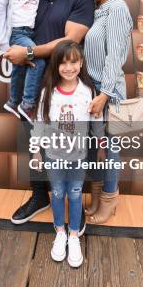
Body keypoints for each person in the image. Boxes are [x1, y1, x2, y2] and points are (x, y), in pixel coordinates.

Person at [5, 0, 95, 228]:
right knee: (34, 140)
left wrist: (27, 51)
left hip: (65, 87)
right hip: (33, 83)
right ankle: (39, 195)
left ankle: (74, 208)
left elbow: (69, 40)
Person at [31, 41, 103, 267]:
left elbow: (96, 120)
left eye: (73, 62)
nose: (69, 67)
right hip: (53, 155)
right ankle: (60, 232)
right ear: (56, 65)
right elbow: (40, 123)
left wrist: (100, 145)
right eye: (63, 63)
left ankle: (74, 235)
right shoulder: (48, 93)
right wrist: (36, 152)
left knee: (74, 193)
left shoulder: (88, 91)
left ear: (81, 64)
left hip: (78, 156)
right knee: (59, 192)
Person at [81, 0, 133, 223]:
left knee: (111, 149)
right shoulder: (97, 8)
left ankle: (110, 200)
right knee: (93, 147)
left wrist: (105, 94)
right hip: (92, 88)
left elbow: (115, 56)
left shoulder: (117, 9)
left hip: (109, 90)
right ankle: (98, 195)